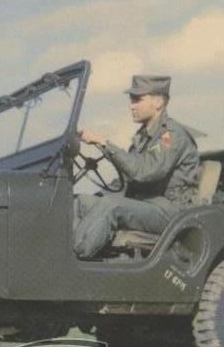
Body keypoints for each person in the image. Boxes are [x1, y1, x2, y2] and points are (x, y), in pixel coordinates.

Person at [73, 75, 200, 259]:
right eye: (131, 100)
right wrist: (101, 195)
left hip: (169, 211)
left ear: (158, 102)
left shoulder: (170, 136)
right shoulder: (143, 136)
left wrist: (103, 142)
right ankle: (66, 251)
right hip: (145, 204)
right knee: (81, 202)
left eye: (137, 100)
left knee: (111, 205)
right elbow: (127, 177)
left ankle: (74, 259)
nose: (131, 106)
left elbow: (145, 171)